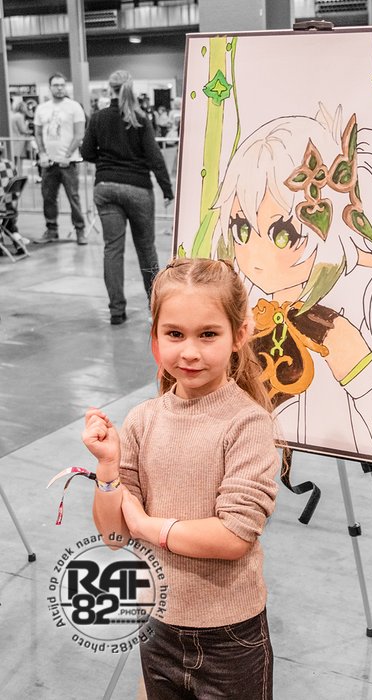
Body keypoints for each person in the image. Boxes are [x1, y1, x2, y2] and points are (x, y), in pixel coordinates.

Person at [82, 257, 279, 699]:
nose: (189, 352)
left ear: (239, 335)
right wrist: (108, 469)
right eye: (174, 334)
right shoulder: (142, 420)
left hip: (230, 636)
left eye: (208, 334)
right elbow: (114, 535)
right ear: (155, 337)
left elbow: (233, 537)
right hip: (157, 624)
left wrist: (147, 526)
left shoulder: (247, 423)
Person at [201, 105, 372, 463]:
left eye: (282, 233)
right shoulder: (244, 315)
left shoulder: (331, 329)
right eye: (240, 229)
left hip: (328, 432)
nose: (254, 254)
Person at [81, 70, 174, 325]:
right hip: (138, 189)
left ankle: (116, 312)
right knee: (146, 249)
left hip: (106, 187)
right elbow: (154, 157)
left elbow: (86, 152)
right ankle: (156, 309)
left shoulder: (98, 118)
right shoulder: (141, 119)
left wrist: (106, 161)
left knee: (112, 249)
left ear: (109, 89)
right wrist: (167, 189)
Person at [33, 73, 87, 245]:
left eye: (62, 85)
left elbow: (79, 134)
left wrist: (67, 155)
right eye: (56, 85)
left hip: (68, 163)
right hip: (48, 163)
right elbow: (38, 133)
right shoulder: (42, 108)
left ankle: (80, 230)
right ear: (50, 87)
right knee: (48, 198)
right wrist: (42, 153)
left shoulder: (74, 107)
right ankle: (51, 230)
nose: (59, 88)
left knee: (73, 198)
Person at [0, 144, 26, 256]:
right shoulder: (9, 163)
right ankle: (19, 243)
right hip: (10, 205)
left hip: (1, 205)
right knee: (9, 224)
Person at [10, 101, 30, 168]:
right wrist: (27, 126)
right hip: (19, 140)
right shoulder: (19, 116)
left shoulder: (14, 115)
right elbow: (22, 130)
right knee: (17, 159)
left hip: (14, 139)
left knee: (14, 159)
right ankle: (17, 173)